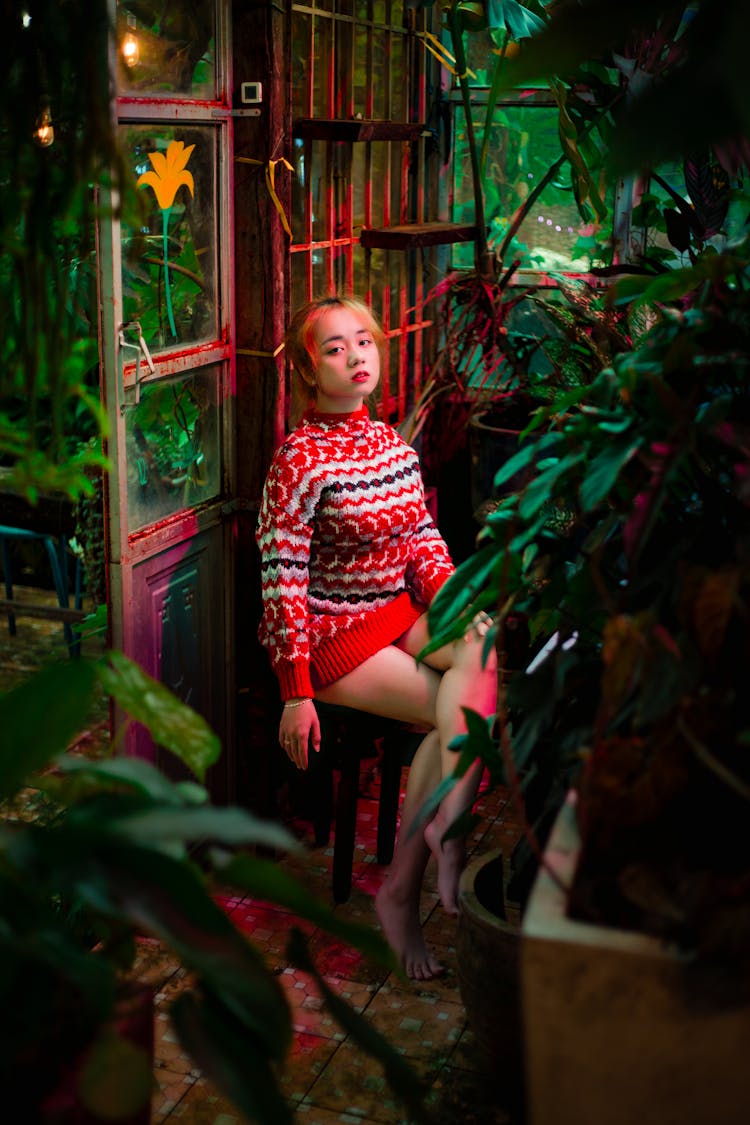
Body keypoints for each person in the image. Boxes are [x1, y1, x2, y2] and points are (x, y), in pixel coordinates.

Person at [256, 295, 498, 980]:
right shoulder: (296, 461)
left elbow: (421, 539)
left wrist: (451, 600)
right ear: (308, 370)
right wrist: (294, 690)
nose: (356, 356)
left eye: (364, 341)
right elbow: (282, 577)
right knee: (458, 707)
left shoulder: (390, 443)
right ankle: (413, 877)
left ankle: (429, 851)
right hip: (332, 638)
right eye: (335, 348)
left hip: (392, 612)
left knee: (479, 646)